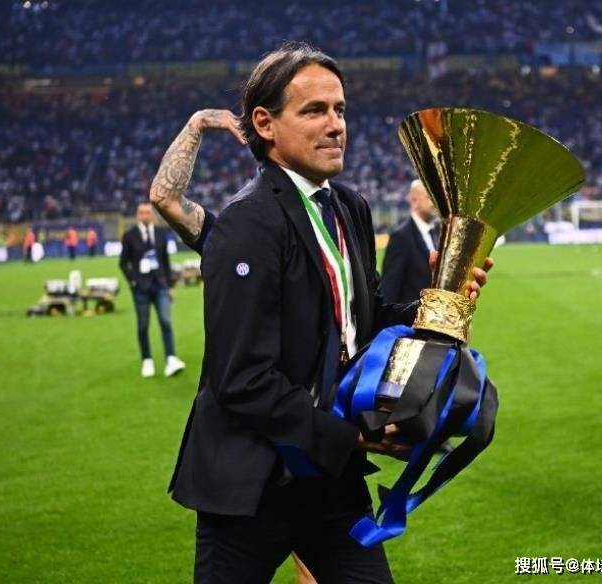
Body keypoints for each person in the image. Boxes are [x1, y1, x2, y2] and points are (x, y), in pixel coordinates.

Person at [150, 43, 493, 584]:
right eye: (314, 111)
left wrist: (442, 300)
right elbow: (242, 378)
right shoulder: (248, 223)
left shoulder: (349, 206)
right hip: (251, 484)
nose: (336, 125)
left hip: (329, 477)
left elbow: (366, 320)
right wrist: (351, 436)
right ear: (264, 124)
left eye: (340, 110)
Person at [119, 202, 185, 378]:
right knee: (143, 325)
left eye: (148, 212)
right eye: (142, 212)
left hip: (160, 285)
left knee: (165, 321)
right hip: (140, 288)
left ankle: (171, 358)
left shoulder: (161, 234)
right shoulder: (129, 236)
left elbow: (166, 261)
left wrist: (169, 286)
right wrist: (133, 281)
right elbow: (123, 263)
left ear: (153, 215)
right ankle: (147, 360)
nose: (145, 215)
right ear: (137, 215)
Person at [381, 179, 440, 304]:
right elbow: (389, 288)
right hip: (410, 315)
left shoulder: (436, 232)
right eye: (429, 197)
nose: (435, 202)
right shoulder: (401, 237)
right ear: (414, 201)